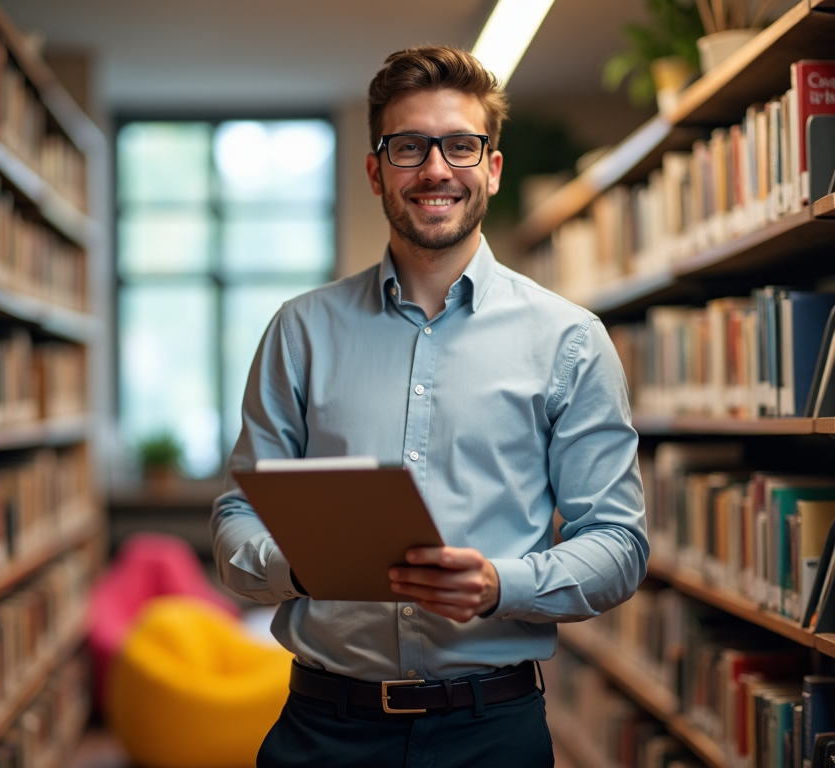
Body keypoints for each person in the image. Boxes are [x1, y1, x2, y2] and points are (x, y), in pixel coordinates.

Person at [211, 45, 648, 768]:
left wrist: (500, 584)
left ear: (492, 169)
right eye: (409, 146)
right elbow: (236, 518)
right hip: (324, 729)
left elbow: (620, 546)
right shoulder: (301, 330)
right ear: (376, 169)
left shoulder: (570, 340)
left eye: (461, 146)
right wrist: (298, 565)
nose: (436, 169)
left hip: (492, 730)